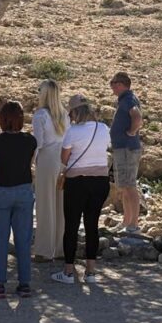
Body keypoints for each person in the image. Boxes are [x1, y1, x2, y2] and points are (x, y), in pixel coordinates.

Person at [51, 97, 111, 285]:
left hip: (77, 182)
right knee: (92, 225)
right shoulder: (103, 128)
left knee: (72, 225)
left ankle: (69, 271)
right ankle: (91, 271)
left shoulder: (72, 131)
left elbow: (64, 158)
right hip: (100, 181)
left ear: (75, 112)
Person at [0, 100, 37, 298]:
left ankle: (0, 283)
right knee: (23, 238)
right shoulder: (30, 141)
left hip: (0, 191)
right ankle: (24, 283)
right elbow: (28, 163)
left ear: (2, 120)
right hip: (23, 190)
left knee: (0, 238)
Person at [31, 80, 69, 262]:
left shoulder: (40, 115)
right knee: (61, 205)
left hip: (47, 158)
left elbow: (37, 143)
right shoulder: (64, 114)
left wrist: (31, 161)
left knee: (45, 204)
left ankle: (44, 250)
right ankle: (61, 248)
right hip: (63, 158)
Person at [109, 71, 144, 236]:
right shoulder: (124, 100)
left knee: (130, 186)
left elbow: (137, 117)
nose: (111, 86)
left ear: (121, 84)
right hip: (121, 148)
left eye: (113, 83)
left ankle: (134, 224)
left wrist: (131, 132)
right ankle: (126, 221)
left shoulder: (128, 99)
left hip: (127, 149)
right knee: (123, 186)